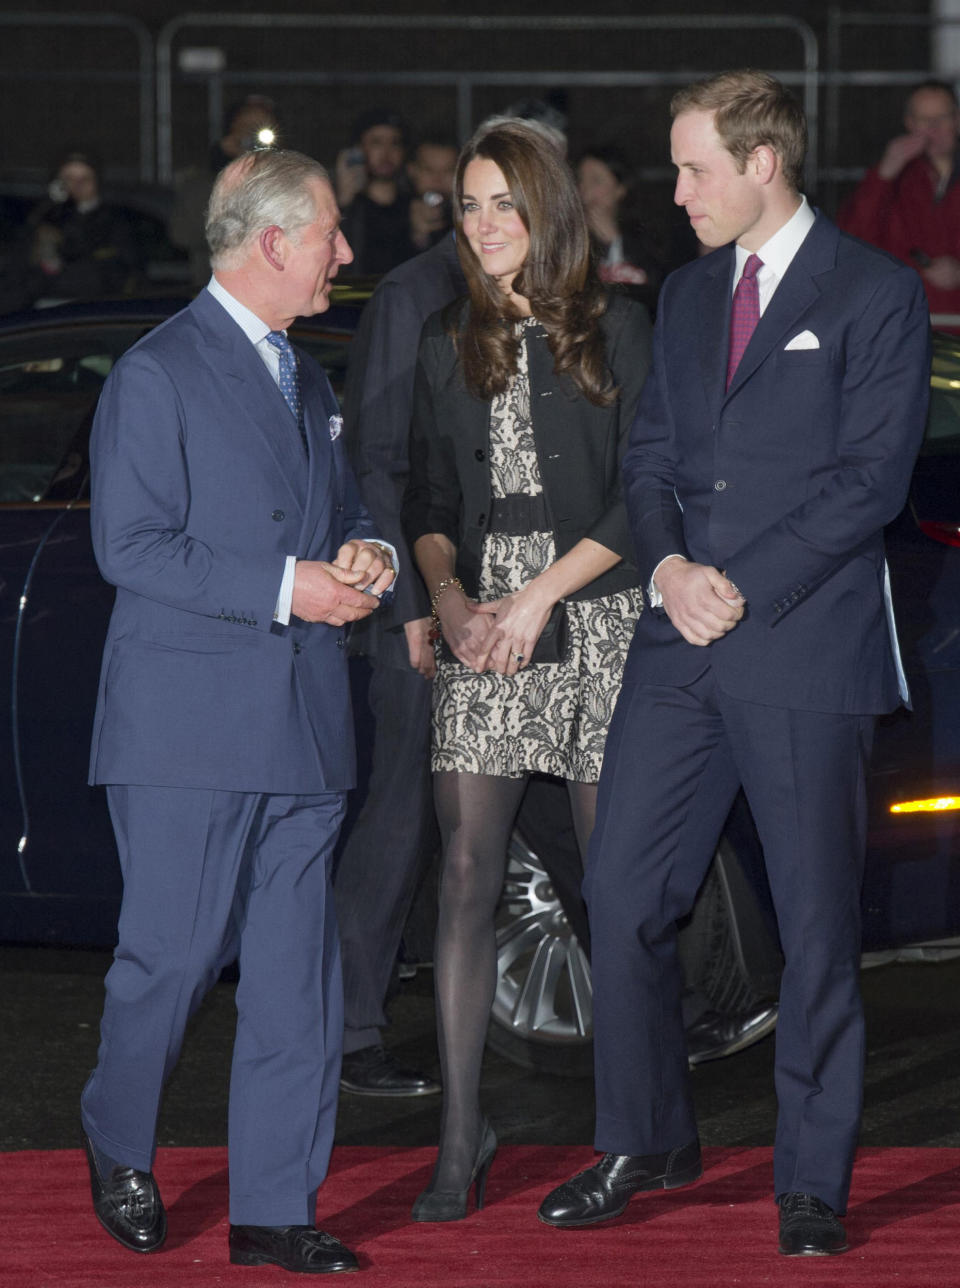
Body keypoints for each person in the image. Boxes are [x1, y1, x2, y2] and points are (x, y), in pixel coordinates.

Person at [538, 70, 930, 1257]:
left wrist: (738, 581)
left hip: (799, 646)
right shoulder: (694, 291)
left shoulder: (876, 292)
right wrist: (665, 574)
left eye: (695, 167)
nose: (678, 190)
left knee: (814, 928)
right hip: (678, 644)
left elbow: (871, 482)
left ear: (765, 163)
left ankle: (812, 1177)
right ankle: (645, 1134)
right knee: (622, 893)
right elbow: (651, 457)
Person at [80, 147, 397, 1275]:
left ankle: (274, 1204)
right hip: (186, 728)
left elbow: (353, 507)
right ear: (274, 242)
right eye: (331, 234)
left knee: (296, 980)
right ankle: (117, 1135)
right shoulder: (157, 373)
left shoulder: (307, 378)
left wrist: (370, 551)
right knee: (169, 961)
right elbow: (129, 544)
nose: (345, 253)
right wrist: (287, 586)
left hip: (306, 725)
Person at [402, 117, 652, 1221]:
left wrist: (536, 597)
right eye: (469, 204)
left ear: (547, 209)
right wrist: (452, 603)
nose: (486, 223)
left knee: (615, 885)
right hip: (485, 622)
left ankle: (635, 1127)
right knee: (466, 871)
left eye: (505, 202)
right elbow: (431, 506)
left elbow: (648, 497)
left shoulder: (622, 328)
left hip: (593, 608)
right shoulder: (445, 337)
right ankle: (462, 1133)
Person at [838, 79, 960, 326]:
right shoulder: (892, 180)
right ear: (909, 124)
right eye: (924, 120)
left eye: (942, 118)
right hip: (905, 325)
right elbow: (851, 241)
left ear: (957, 120)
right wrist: (884, 174)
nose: (933, 128)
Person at [25, 150, 140, 303]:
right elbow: (23, 276)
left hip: (93, 309)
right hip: (46, 312)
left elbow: (125, 272)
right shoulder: (44, 218)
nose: (77, 186)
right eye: (69, 178)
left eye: (85, 179)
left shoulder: (114, 222)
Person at [576, 144, 666, 298]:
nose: (585, 189)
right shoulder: (570, 235)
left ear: (620, 189)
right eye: (580, 180)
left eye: (596, 181)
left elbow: (656, 285)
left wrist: (614, 240)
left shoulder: (646, 233)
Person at [339, 107, 415, 275]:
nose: (386, 153)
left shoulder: (415, 209)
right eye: (376, 142)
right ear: (358, 149)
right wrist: (343, 204)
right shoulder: (347, 209)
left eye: (395, 143)